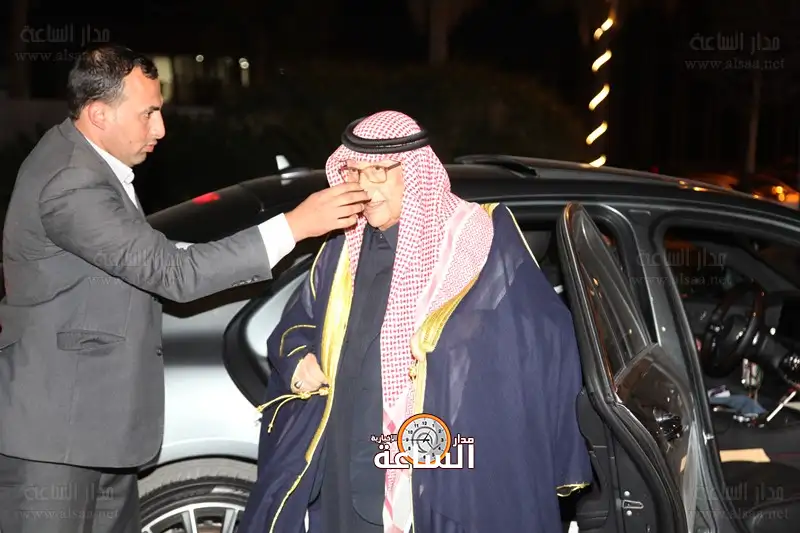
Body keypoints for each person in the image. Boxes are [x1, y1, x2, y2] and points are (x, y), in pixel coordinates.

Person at [0, 44, 368, 533]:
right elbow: (172, 273)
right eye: (148, 113)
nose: (160, 129)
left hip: (93, 429)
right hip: (55, 440)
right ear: (99, 114)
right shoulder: (72, 181)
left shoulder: (88, 162)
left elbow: (147, 253)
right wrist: (295, 226)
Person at [239, 110, 592, 533]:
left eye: (378, 172)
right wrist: (299, 361)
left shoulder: (474, 244)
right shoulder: (340, 249)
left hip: (434, 469)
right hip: (338, 464)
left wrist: (456, 359)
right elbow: (298, 322)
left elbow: (543, 337)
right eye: (355, 172)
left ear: (414, 170)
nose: (364, 187)